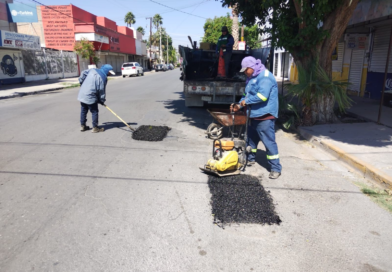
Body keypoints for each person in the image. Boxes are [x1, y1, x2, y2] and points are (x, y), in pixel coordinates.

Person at [230, 56, 282, 179]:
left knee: (268, 142)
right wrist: (239, 105)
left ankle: (275, 168)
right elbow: (246, 94)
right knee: (251, 140)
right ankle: (250, 159)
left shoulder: (265, 77)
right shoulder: (251, 77)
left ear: (251, 67)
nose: (245, 73)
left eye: (245, 70)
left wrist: (246, 102)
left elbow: (262, 96)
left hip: (265, 116)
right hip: (253, 115)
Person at [77, 64, 115, 133]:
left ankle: (83, 126)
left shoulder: (92, 70)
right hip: (91, 96)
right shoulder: (103, 78)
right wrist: (101, 100)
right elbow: (101, 91)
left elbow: (83, 73)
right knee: (94, 111)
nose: (110, 74)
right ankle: (95, 127)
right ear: (106, 71)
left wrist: (81, 81)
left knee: (84, 110)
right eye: (109, 72)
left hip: (82, 93)